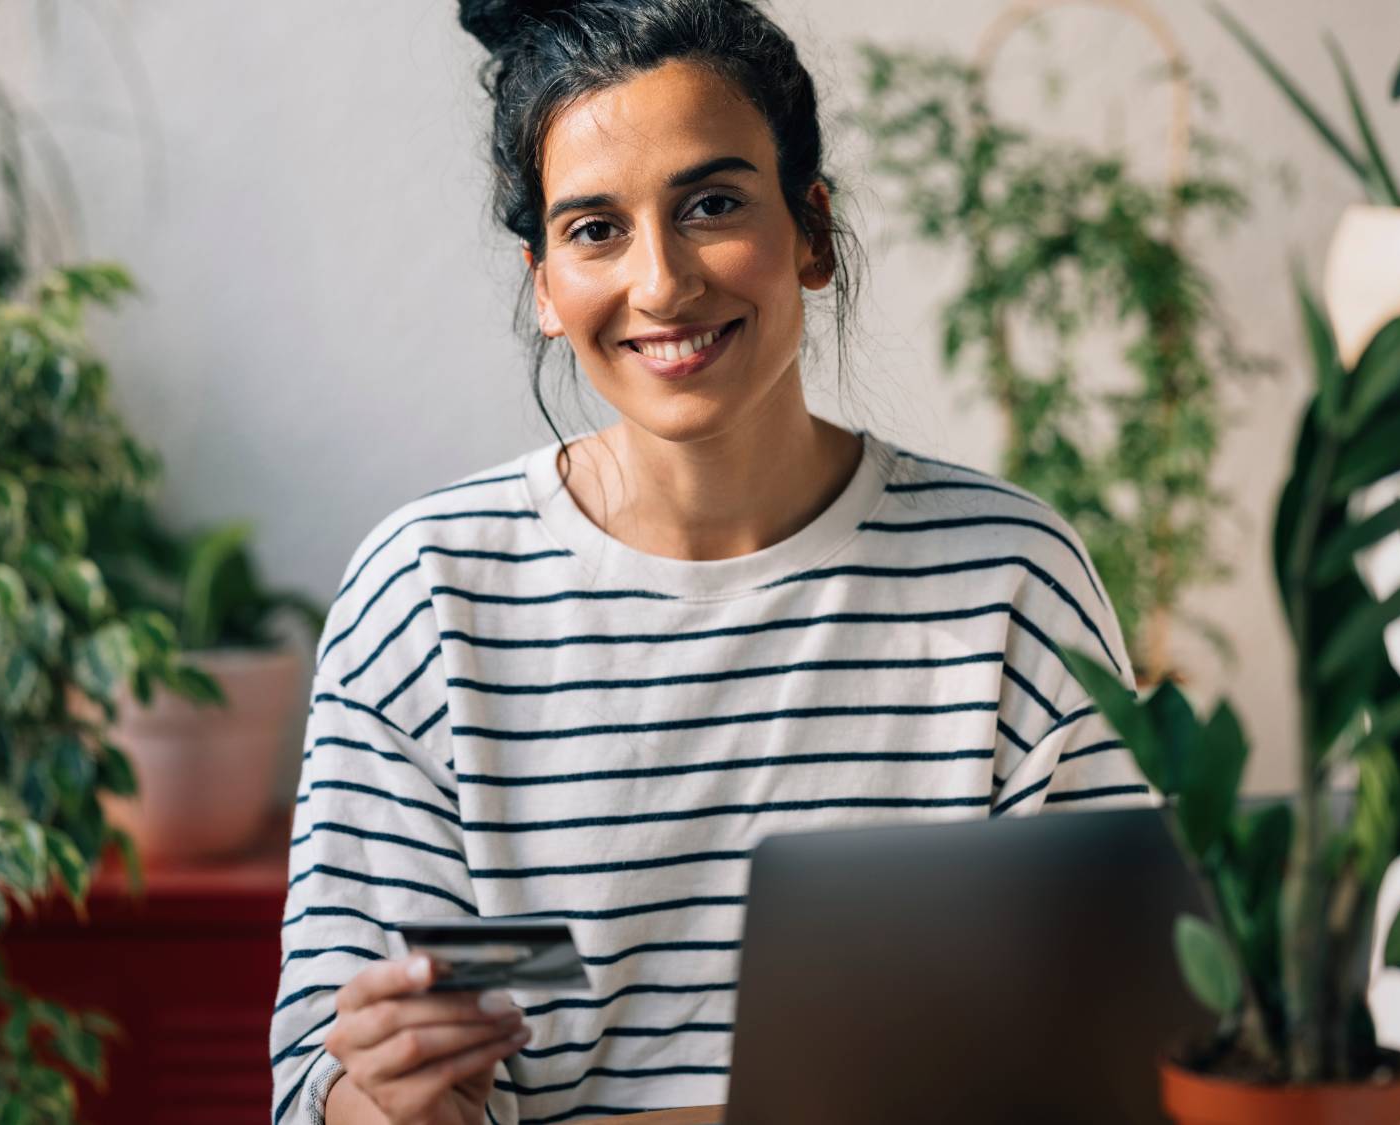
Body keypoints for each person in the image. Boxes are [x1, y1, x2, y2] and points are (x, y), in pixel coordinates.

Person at [270, 1, 1154, 1122]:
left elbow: (1114, 1059)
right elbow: (317, 1092)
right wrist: (388, 1098)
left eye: (712, 205)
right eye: (594, 231)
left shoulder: (1008, 583)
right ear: (543, 283)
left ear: (813, 232)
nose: (661, 284)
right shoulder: (426, 598)